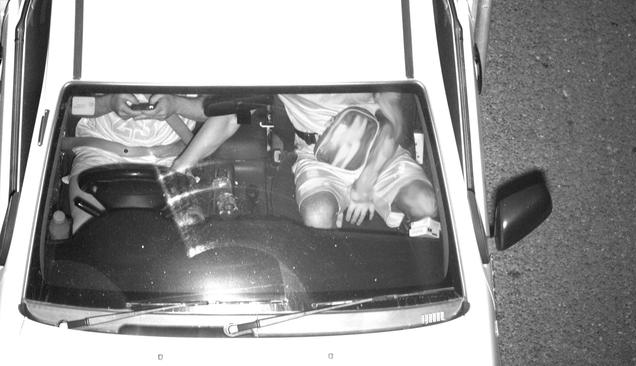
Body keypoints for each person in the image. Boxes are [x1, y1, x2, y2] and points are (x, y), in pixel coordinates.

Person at [68, 93, 239, 232]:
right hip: (100, 153)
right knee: (88, 232)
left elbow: (227, 110)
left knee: (187, 238)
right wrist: (109, 102)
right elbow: (72, 105)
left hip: (171, 158)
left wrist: (176, 104)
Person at [277, 92, 438, 229]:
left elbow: (393, 117)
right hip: (319, 155)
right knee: (318, 214)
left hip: (379, 149)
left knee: (425, 204)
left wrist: (364, 185)